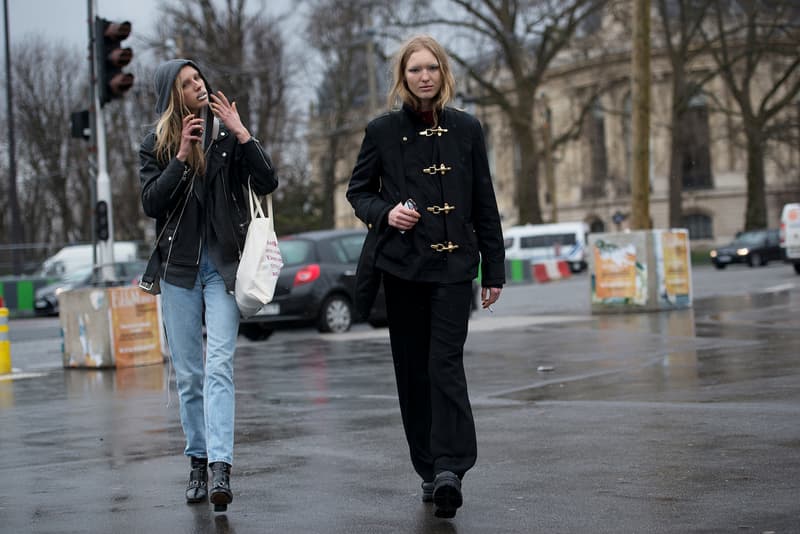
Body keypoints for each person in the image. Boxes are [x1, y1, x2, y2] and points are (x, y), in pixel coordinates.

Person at [346, 35, 505, 519]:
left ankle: (451, 468)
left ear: (443, 73)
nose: (424, 76)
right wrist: (386, 212)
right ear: (403, 76)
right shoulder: (382, 131)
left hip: (455, 270)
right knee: (413, 372)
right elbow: (358, 193)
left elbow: (484, 202)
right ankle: (428, 467)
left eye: (431, 67)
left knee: (445, 365)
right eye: (415, 69)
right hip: (403, 270)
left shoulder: (467, 129)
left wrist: (492, 269)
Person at [139, 59, 277, 511]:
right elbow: (151, 203)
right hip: (178, 271)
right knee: (190, 376)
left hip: (223, 268)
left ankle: (221, 467)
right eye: (187, 83)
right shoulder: (156, 145)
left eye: (199, 79)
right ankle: (197, 461)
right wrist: (179, 157)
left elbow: (268, 180)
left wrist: (242, 134)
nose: (198, 86)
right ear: (172, 95)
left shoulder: (226, 138)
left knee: (219, 366)